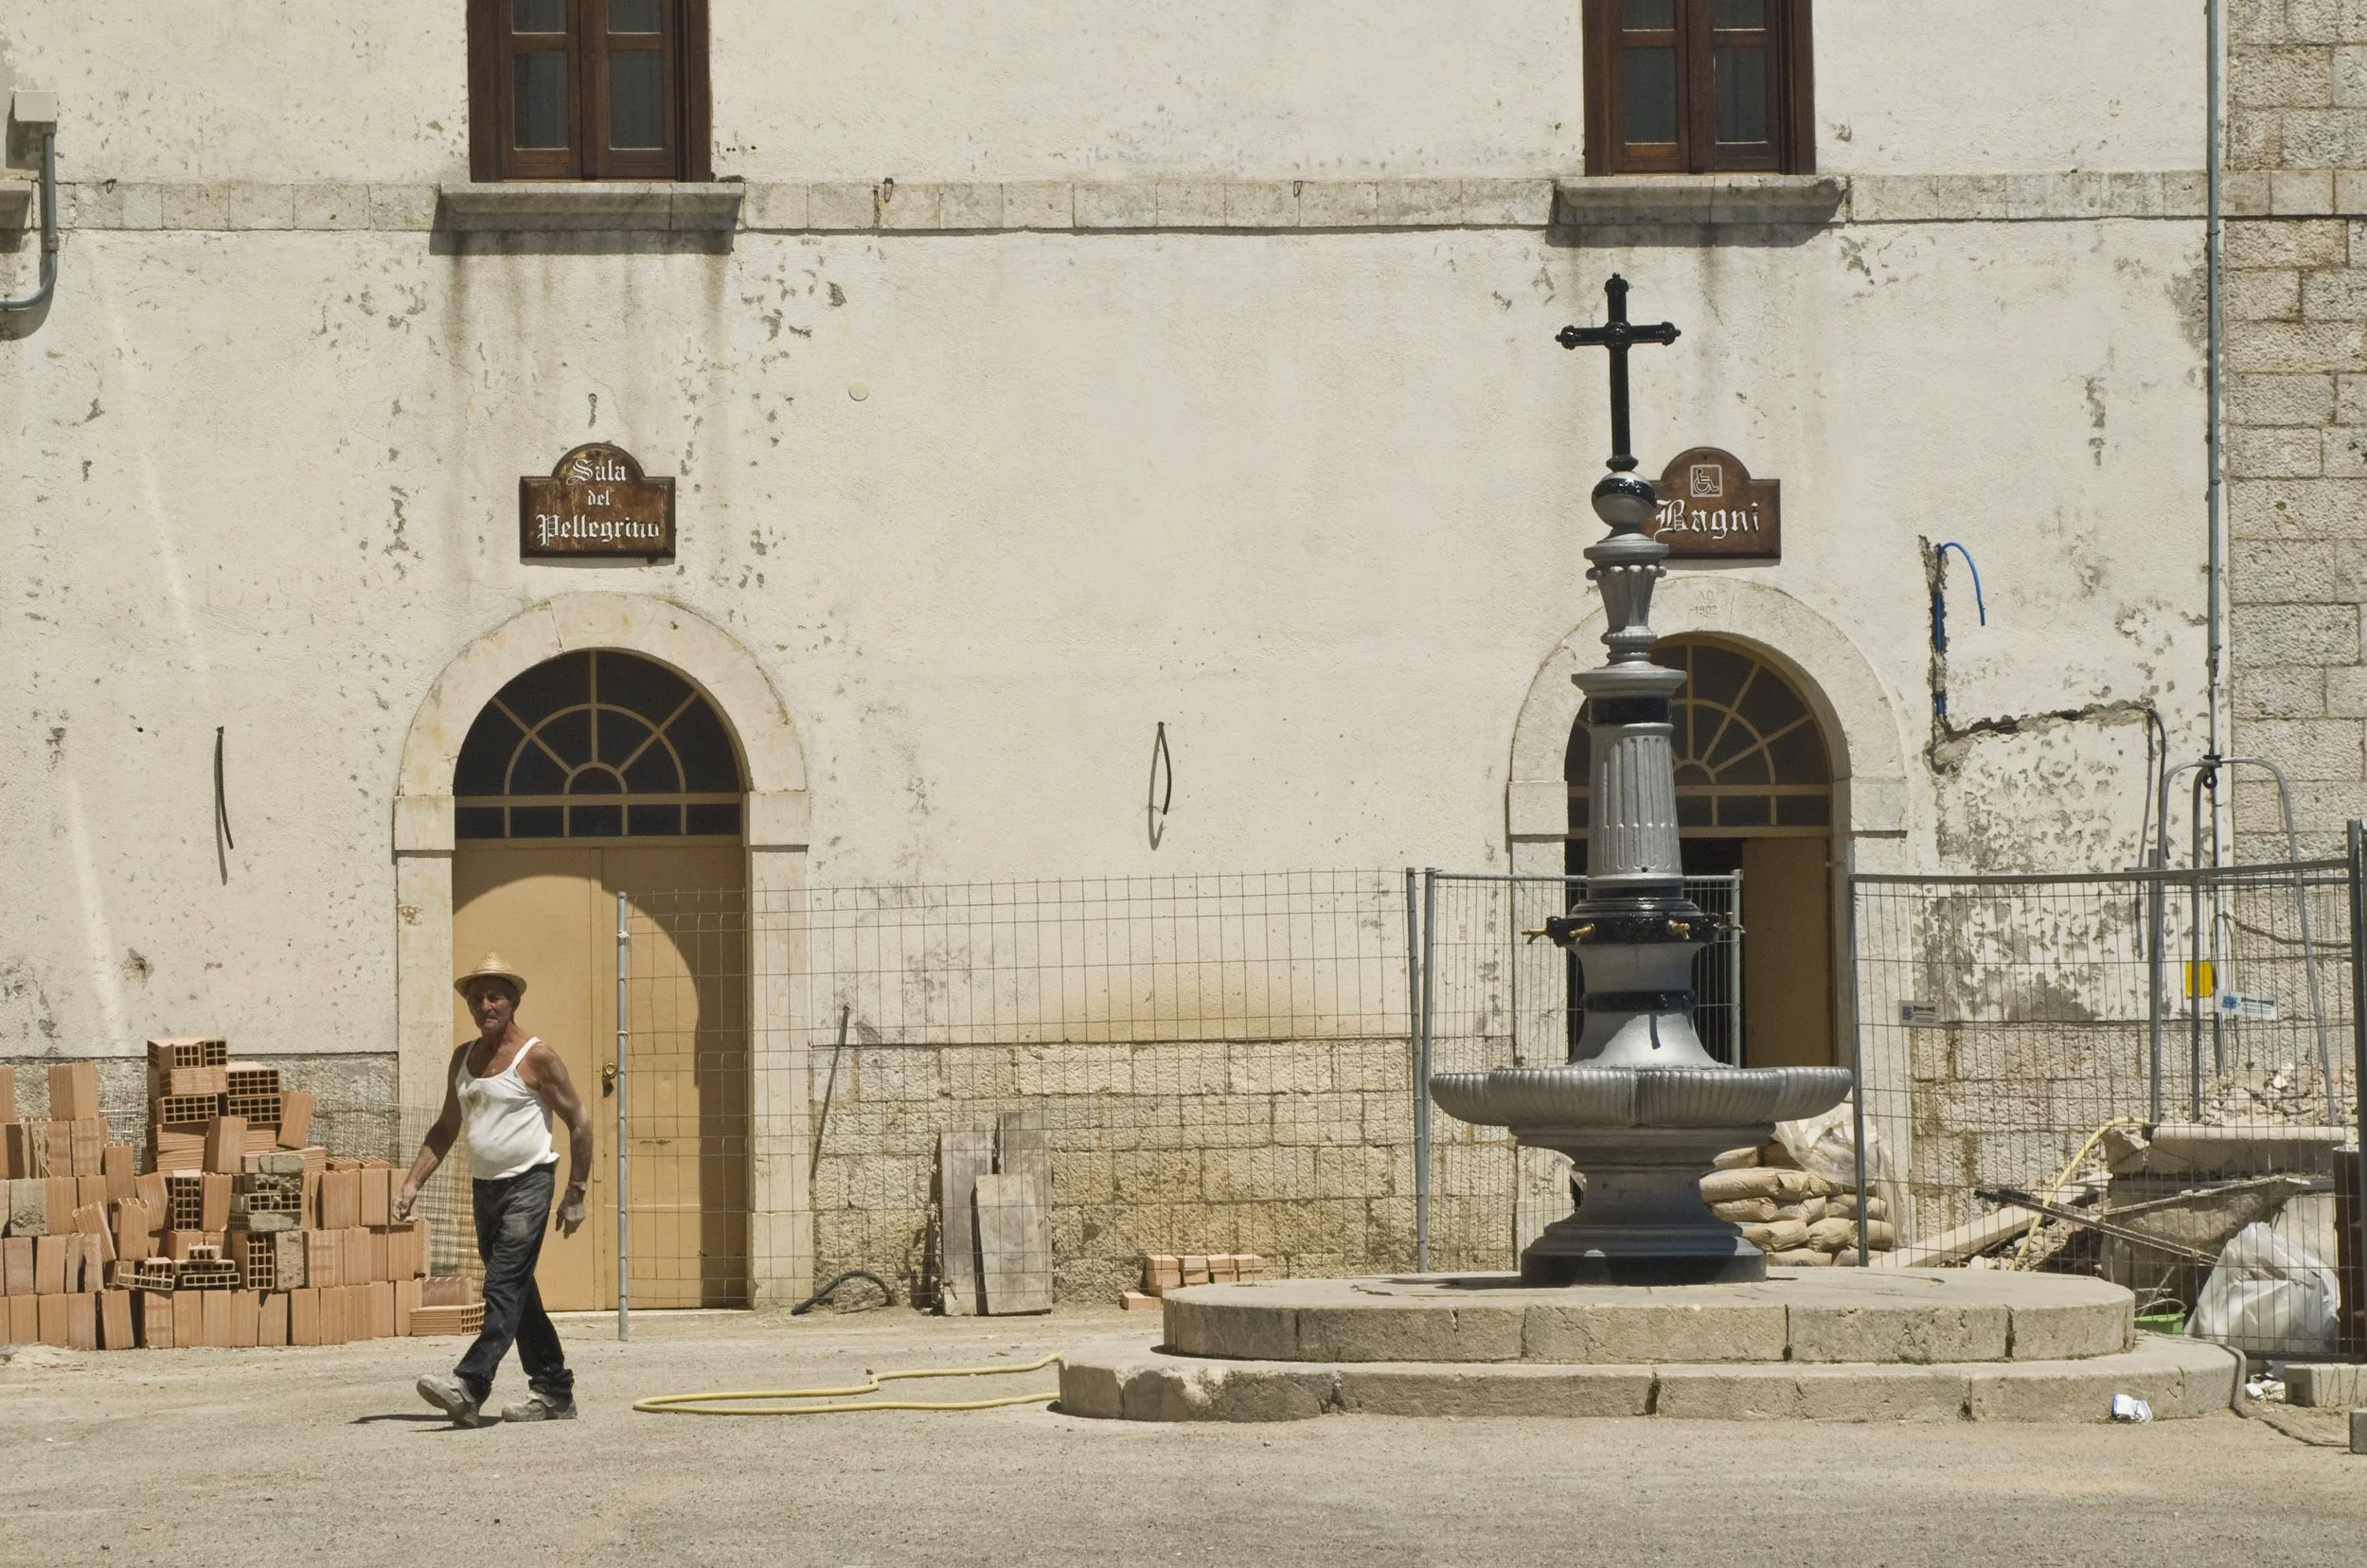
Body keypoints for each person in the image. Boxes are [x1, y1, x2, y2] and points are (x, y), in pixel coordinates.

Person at [396, 953, 593, 1427]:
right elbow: (446, 1126)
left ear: (514, 1001)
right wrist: (410, 1182)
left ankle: (470, 1384)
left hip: (529, 1184)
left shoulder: (536, 1057)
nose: (486, 1005)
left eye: (495, 995)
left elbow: (580, 1122)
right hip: (485, 1190)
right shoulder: (463, 1058)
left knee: (502, 1285)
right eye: (476, 996)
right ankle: (554, 1392)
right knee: (520, 1292)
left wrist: (576, 1192)